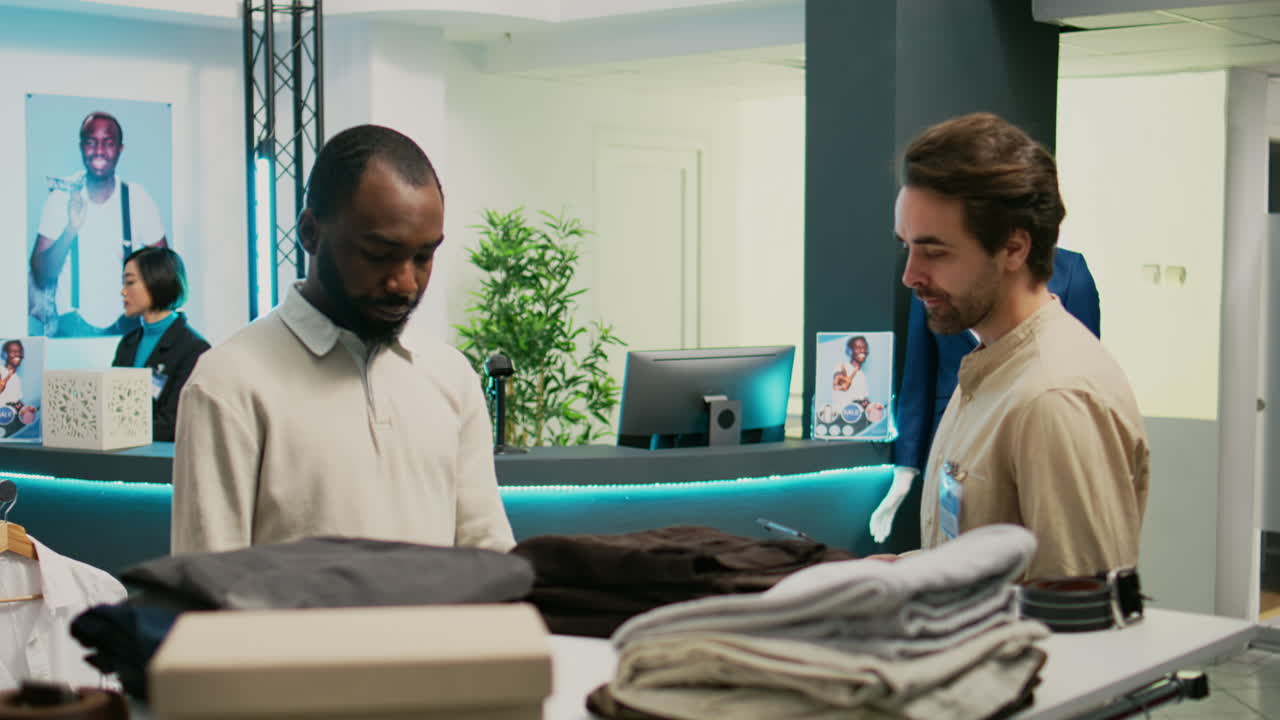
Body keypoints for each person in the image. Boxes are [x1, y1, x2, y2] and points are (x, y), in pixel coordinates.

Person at [171, 124, 515, 555]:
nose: (405, 282)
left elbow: (488, 553)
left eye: (423, 256)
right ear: (310, 232)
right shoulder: (228, 383)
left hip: (439, 625)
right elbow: (206, 589)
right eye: (378, 255)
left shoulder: (451, 377)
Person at [892, 112, 1148, 579]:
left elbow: (1079, 616)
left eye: (934, 251)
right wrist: (900, 573)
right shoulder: (988, 370)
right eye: (906, 247)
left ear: (1013, 249)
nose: (910, 275)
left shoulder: (1052, 398)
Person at [870, 247, 1100, 542]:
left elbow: (1082, 368)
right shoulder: (932, 277)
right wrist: (906, 469)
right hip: (951, 440)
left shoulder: (1069, 270)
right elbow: (918, 373)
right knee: (947, 550)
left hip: (1029, 439)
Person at [29, 111, 168, 338]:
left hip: (127, 328)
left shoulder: (137, 198)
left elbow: (164, 275)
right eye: (91, 143)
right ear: (81, 147)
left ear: (120, 149)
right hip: (71, 328)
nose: (99, 151)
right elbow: (41, 276)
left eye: (108, 143)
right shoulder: (61, 198)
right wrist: (71, 229)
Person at [112, 247, 210, 442]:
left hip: (161, 463)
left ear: (156, 282)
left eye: (130, 282)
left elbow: (174, 424)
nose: (123, 291)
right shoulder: (128, 343)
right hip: (122, 456)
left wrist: (116, 429)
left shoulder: (194, 349)